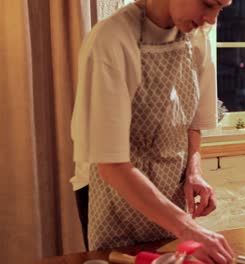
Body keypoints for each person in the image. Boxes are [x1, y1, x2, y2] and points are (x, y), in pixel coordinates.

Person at [70, 0, 234, 263]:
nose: (212, 19)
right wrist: (189, 227)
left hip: (170, 193)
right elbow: (111, 165)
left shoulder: (197, 36)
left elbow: (193, 122)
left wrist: (194, 171)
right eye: (207, 4)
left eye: (221, 8)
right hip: (114, 195)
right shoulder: (112, 40)